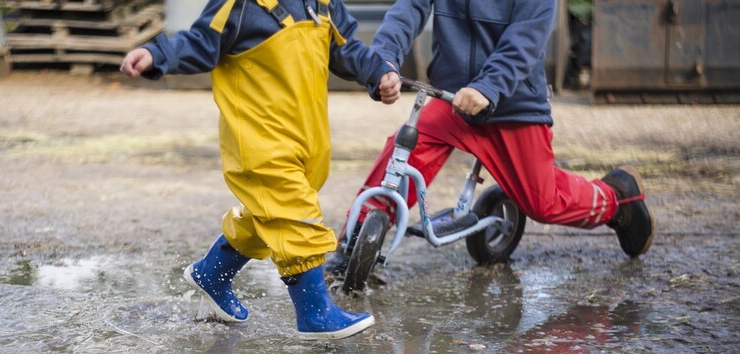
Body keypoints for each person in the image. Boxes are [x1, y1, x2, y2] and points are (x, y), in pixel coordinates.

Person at [120, 0, 400, 340]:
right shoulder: (240, 5)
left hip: (306, 138)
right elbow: (199, 41)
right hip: (259, 140)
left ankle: (213, 272)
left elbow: (346, 47)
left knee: (268, 214)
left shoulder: (322, 3)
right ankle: (314, 313)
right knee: (296, 215)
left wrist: (378, 72)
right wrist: (156, 55)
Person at [326, 0, 655, 277]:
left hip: (511, 104)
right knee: (403, 153)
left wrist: (487, 87)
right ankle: (354, 241)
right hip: (451, 99)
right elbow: (408, 8)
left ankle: (617, 199)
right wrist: (384, 61)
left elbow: (526, 38)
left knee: (544, 203)